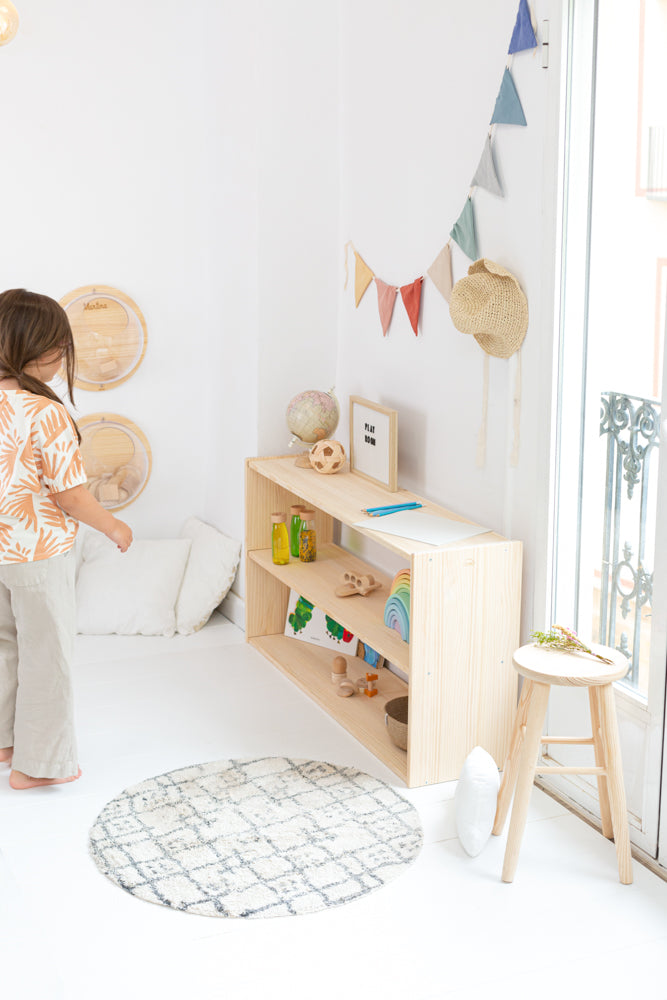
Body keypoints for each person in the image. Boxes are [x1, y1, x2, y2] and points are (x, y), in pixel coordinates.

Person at [0, 288, 132, 789]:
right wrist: (114, 526)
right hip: (37, 553)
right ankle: (38, 767)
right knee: (47, 654)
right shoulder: (45, 413)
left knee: (3, 645)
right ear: (43, 350)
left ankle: (5, 742)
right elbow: (72, 497)